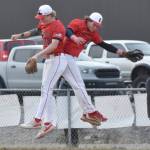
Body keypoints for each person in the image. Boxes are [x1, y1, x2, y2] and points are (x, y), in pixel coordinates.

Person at [11, 4, 67, 139]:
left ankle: (37, 120)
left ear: (50, 15)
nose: (40, 19)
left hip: (57, 60)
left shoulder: (58, 26)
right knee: (46, 91)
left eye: (43, 17)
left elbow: (54, 46)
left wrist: (36, 56)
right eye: (39, 17)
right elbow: (35, 31)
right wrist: (19, 36)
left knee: (46, 90)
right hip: (49, 61)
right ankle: (48, 122)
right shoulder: (44, 24)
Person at [63, 12, 126, 124]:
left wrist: (120, 52)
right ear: (89, 20)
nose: (96, 27)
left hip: (69, 58)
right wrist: (74, 37)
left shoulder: (93, 34)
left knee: (77, 86)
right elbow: (67, 31)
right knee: (78, 85)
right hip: (64, 56)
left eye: (98, 26)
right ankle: (90, 112)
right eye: (94, 24)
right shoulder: (77, 22)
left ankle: (88, 112)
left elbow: (104, 44)